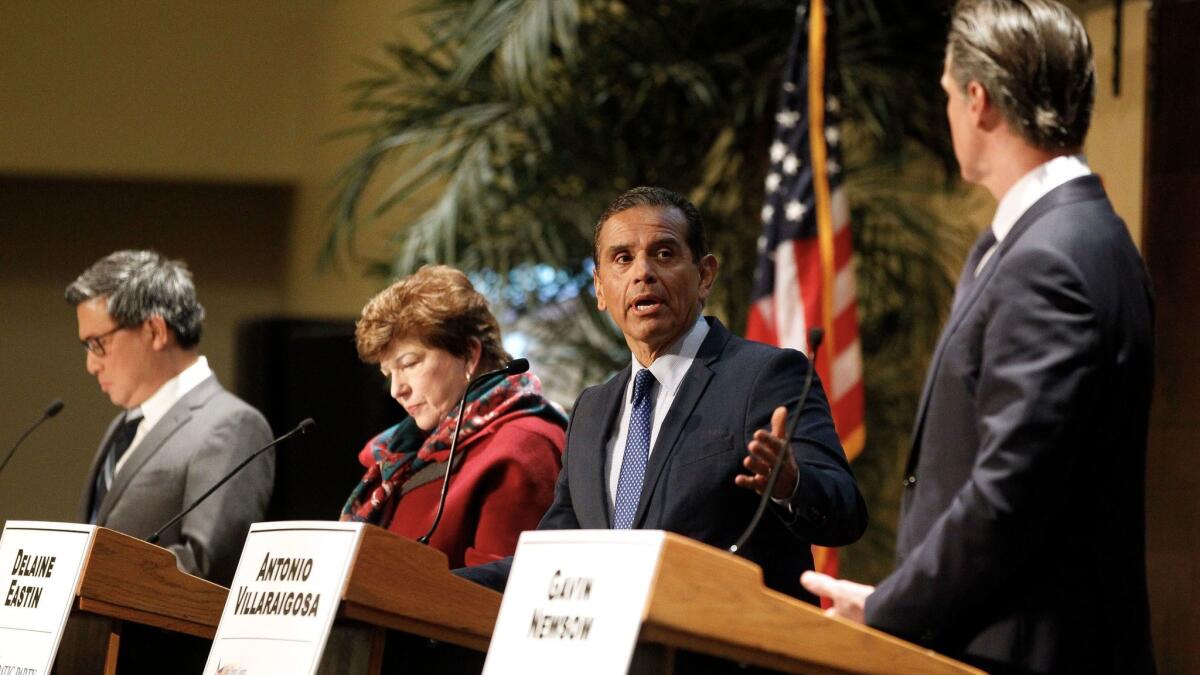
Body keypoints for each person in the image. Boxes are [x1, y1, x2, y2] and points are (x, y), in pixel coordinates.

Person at [800, 1, 1156, 672]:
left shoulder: (1051, 256)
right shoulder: (1072, 236)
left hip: (1025, 652)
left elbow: (1008, 496)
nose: (947, 114)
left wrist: (884, 610)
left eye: (945, 95)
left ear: (977, 99)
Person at [458, 186, 867, 601]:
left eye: (665, 253)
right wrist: (442, 583)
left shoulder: (765, 375)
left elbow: (845, 513)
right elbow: (555, 554)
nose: (642, 273)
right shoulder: (592, 410)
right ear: (600, 288)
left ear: (704, 274)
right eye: (622, 259)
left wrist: (791, 485)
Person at [68, 250, 274, 586]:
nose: (91, 365)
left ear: (155, 331)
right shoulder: (124, 426)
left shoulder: (231, 425)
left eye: (98, 344)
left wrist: (91, 576)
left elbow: (207, 568)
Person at [339, 265, 566, 567]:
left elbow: (496, 592)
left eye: (409, 363)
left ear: (469, 355)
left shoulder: (524, 445)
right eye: (388, 373)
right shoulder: (397, 457)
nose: (397, 389)